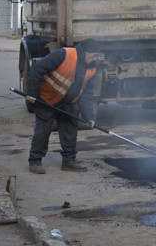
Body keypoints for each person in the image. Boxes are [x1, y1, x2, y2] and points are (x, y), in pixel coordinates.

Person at [26, 38, 101, 174]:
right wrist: (32, 94)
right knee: (43, 131)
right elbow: (37, 69)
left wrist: (89, 117)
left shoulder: (91, 69)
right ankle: (35, 161)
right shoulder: (63, 54)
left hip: (69, 102)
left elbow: (87, 94)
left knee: (70, 130)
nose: (95, 59)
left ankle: (69, 161)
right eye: (94, 55)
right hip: (47, 98)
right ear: (86, 52)